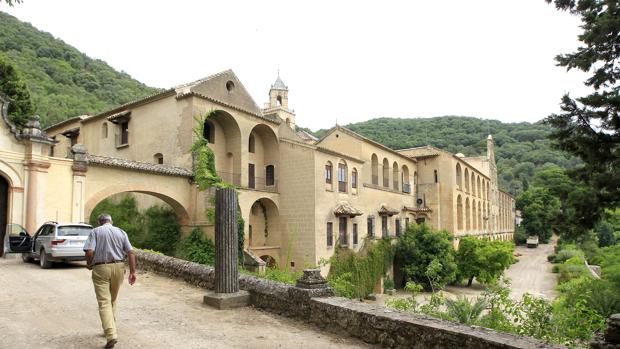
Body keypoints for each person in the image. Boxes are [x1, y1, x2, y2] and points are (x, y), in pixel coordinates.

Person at [84, 213, 137, 349]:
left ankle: (111, 335)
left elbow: (89, 252)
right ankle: (110, 327)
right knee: (112, 300)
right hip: (119, 267)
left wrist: (89, 264)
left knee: (104, 302)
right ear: (110, 221)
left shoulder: (95, 231)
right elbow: (131, 252)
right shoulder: (121, 232)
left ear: (100, 222)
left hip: (101, 268)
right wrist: (133, 272)